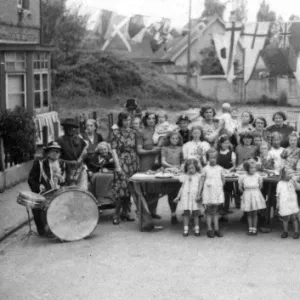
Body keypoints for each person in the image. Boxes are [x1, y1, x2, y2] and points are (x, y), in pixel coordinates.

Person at [28, 142, 68, 237]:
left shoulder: (62, 164)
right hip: (43, 193)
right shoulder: (39, 164)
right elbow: (31, 179)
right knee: (38, 207)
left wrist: (63, 182)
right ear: (47, 153)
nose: (55, 153)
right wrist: (38, 186)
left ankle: (58, 228)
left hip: (58, 192)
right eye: (52, 151)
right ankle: (44, 229)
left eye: (57, 151)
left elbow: (66, 181)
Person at [111, 112, 139, 224]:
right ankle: (116, 213)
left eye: (129, 120)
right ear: (121, 121)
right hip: (121, 160)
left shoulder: (133, 132)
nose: (128, 122)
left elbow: (136, 147)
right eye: (125, 120)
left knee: (130, 188)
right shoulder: (115, 133)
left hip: (132, 161)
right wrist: (117, 166)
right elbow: (113, 150)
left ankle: (125, 212)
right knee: (121, 188)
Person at [137, 111, 162, 221]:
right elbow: (139, 150)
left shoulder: (159, 131)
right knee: (145, 188)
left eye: (153, 118)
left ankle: (153, 211)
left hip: (157, 161)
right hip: (145, 161)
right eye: (149, 118)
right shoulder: (141, 132)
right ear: (145, 120)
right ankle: (145, 213)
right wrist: (151, 151)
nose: (151, 120)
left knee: (156, 188)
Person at [200, 148, 225, 238]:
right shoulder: (205, 169)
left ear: (217, 158)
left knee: (215, 210)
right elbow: (202, 181)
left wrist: (218, 188)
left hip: (216, 191)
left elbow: (223, 180)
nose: (212, 159)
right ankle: (209, 229)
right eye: (210, 158)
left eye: (214, 157)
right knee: (209, 210)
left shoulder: (220, 168)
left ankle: (217, 228)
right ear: (207, 158)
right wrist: (200, 192)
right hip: (208, 192)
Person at [57, 118, 88, 189]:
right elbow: (55, 158)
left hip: (80, 170)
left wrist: (85, 157)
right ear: (65, 128)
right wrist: (69, 162)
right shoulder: (60, 140)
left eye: (72, 127)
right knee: (69, 192)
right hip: (65, 172)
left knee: (82, 191)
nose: (71, 129)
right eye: (68, 127)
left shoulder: (80, 140)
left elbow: (85, 155)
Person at [173, 159, 202, 237]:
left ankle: (197, 229)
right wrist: (178, 197)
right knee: (186, 214)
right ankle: (186, 230)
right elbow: (182, 188)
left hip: (195, 198)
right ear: (186, 168)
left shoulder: (199, 176)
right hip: (186, 198)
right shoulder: (184, 176)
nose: (191, 170)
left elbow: (200, 187)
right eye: (189, 168)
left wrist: (199, 195)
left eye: (192, 168)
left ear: (196, 168)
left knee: (196, 214)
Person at [161, 132, 184, 224]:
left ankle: (185, 212)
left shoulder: (181, 148)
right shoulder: (164, 148)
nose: (175, 140)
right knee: (171, 194)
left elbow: (183, 160)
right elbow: (163, 161)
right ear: (169, 139)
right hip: (169, 171)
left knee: (181, 192)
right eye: (173, 138)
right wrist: (171, 167)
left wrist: (181, 166)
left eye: (176, 138)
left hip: (179, 171)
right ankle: (173, 213)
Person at [239, 161, 266, 236]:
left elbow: (260, 186)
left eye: (254, 168)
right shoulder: (243, 177)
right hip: (247, 195)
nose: (253, 169)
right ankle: (250, 228)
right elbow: (240, 187)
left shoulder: (257, 176)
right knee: (249, 214)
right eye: (251, 168)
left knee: (255, 213)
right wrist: (245, 193)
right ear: (247, 169)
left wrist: (255, 192)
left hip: (255, 195)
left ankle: (255, 228)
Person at [84, 142, 115, 207]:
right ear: (98, 150)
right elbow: (90, 166)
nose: (103, 151)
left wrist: (108, 170)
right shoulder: (95, 156)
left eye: (105, 149)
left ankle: (106, 200)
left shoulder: (111, 157)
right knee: (95, 177)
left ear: (108, 149)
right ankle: (95, 199)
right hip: (95, 174)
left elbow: (114, 167)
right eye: (101, 150)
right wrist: (89, 171)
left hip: (108, 176)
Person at [217, 134, 237, 221]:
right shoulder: (217, 152)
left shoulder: (232, 153)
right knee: (219, 193)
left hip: (228, 175)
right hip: (218, 175)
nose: (226, 145)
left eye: (227, 143)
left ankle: (225, 211)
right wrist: (221, 169)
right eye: (224, 143)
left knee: (227, 193)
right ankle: (219, 211)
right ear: (220, 144)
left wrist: (228, 170)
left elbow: (234, 166)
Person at [276, 168, 300, 239]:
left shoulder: (292, 182)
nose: (290, 175)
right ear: (283, 175)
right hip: (284, 203)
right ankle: (285, 231)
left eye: (291, 173)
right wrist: (277, 203)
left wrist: (295, 182)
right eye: (288, 173)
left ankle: (296, 231)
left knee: (294, 218)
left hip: (292, 202)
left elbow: (298, 188)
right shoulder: (280, 183)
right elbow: (278, 194)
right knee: (285, 218)